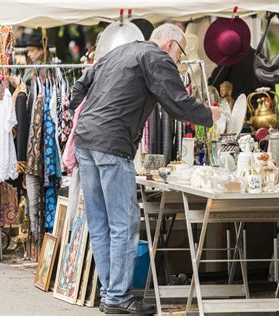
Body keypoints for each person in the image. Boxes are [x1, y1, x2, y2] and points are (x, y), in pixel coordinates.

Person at [69, 24, 220, 314]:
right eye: (180, 53)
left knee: (100, 223)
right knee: (124, 224)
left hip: (86, 139)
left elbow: (81, 84)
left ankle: (110, 293)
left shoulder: (120, 51)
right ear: (170, 45)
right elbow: (176, 103)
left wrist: (77, 111)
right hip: (112, 143)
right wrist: (208, 115)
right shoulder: (157, 58)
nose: (178, 61)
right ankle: (116, 297)